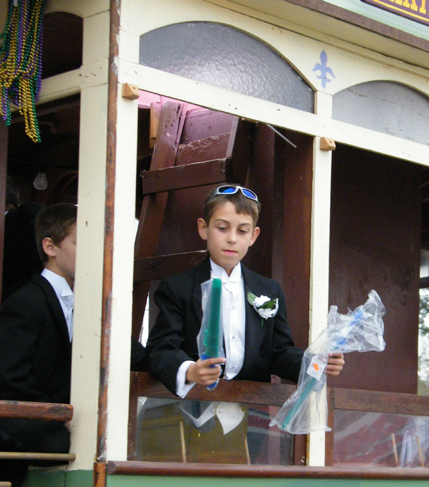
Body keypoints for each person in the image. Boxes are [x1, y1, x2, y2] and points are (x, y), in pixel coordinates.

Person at [146, 184, 344, 451]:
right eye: (222, 228)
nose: (232, 239)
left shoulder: (268, 290)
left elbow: (279, 352)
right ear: (203, 228)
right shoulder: (177, 287)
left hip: (248, 416)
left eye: (242, 230)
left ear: (254, 235)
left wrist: (315, 362)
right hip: (186, 415)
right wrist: (191, 370)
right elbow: (160, 349)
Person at [0, 203, 77, 487]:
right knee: (58, 442)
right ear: (50, 246)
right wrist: (57, 415)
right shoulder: (25, 302)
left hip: (42, 413)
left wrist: (184, 368)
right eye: (80, 242)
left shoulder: (86, 302)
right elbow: (5, 375)